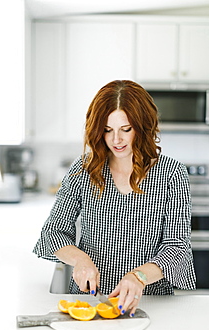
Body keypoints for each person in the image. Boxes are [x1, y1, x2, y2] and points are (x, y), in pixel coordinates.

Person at [33, 80, 196, 317]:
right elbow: (53, 232)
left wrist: (138, 276)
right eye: (107, 130)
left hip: (150, 303)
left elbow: (177, 247)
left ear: (143, 126)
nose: (116, 140)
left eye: (126, 129)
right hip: (88, 301)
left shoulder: (172, 174)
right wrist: (80, 259)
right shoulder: (84, 170)